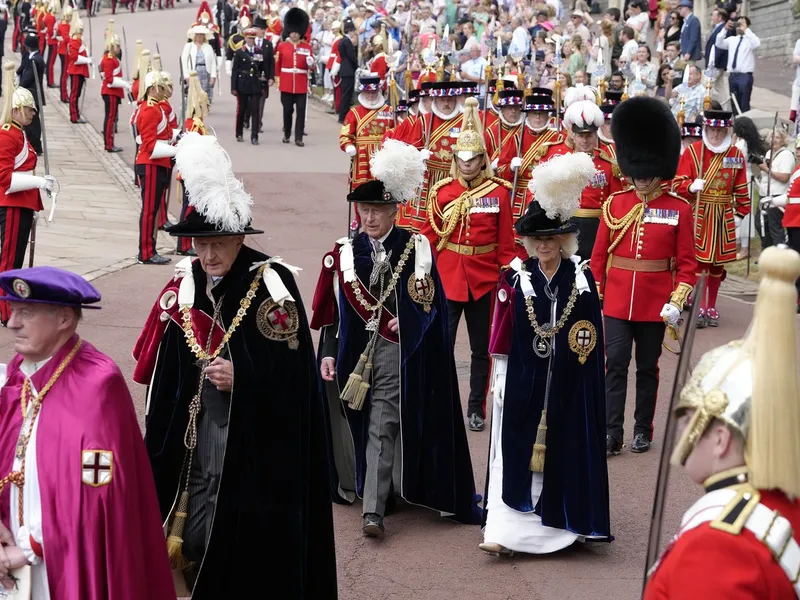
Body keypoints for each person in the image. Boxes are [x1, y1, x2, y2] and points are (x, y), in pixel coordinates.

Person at [134, 132, 337, 597]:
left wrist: (242, 377)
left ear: (240, 236)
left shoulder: (272, 284)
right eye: (199, 244)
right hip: (193, 432)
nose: (208, 254)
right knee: (191, 516)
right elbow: (166, 370)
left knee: (233, 517)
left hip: (249, 436)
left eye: (218, 242)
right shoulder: (185, 283)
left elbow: (293, 376)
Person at [311, 138, 480, 537]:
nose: (369, 218)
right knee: (360, 422)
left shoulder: (416, 247)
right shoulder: (344, 251)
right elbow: (332, 312)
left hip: (393, 352)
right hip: (352, 354)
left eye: (378, 211)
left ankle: (373, 511)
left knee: (382, 424)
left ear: (393, 211)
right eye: (364, 210)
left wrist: (410, 323)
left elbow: (432, 306)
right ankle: (384, 489)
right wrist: (330, 351)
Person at [0, 266, 177, 599]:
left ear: (64, 319)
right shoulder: (18, 375)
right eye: (13, 311)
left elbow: (96, 492)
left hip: (65, 559)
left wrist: (27, 548)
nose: (12, 324)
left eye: (26, 313)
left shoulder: (97, 383)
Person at [643, 245, 800, 598]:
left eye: (689, 418)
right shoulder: (785, 504)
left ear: (720, 438)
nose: (681, 430)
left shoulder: (717, 546)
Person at [481, 152, 612, 556]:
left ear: (563, 241)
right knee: (517, 451)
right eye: (536, 240)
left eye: (550, 239)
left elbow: (591, 335)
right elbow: (500, 339)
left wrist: (587, 383)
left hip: (569, 384)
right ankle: (510, 533)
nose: (542, 246)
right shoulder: (514, 279)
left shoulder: (582, 279)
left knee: (570, 445)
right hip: (524, 384)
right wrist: (499, 383)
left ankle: (573, 524)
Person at [591, 97, 696, 456]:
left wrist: (676, 301)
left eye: (648, 171)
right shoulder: (615, 204)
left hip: (656, 304)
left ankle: (642, 429)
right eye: (638, 171)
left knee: (647, 369)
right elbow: (599, 257)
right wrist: (600, 294)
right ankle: (611, 431)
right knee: (614, 365)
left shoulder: (679, 208)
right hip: (618, 301)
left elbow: (687, 265)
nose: (643, 177)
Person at [420, 97, 517, 432]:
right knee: (441, 345)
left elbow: (505, 242)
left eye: (472, 158)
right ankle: (441, 402)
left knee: (481, 349)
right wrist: (417, 266)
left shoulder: (499, 193)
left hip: (484, 279)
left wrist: (513, 274)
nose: (466, 163)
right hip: (448, 276)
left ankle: (477, 407)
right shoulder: (442, 191)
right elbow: (429, 235)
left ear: (481, 159)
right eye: (461, 158)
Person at [673, 110, 749, 328]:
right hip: (699, 213)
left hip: (724, 214)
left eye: (720, 130)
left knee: (717, 266)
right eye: (712, 130)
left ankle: (711, 305)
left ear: (726, 130)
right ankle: (696, 305)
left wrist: (739, 214)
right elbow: (677, 183)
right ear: (705, 129)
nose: (716, 135)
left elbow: (741, 188)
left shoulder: (735, 154)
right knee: (697, 262)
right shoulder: (693, 152)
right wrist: (689, 186)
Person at [0, 62, 56, 325]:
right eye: (29, 109)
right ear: (17, 109)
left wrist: (39, 183)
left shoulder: (19, 134)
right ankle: (4, 310)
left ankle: (11, 303)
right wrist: (37, 183)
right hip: (11, 203)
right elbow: (5, 178)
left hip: (21, 203)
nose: (33, 113)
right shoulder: (8, 135)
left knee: (16, 257)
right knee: (9, 259)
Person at [386, 79, 479, 232]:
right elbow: (409, 149)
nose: (446, 104)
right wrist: (418, 155)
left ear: (456, 99)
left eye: (450, 100)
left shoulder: (466, 122)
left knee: (453, 221)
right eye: (443, 100)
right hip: (428, 178)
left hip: (455, 177)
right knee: (421, 225)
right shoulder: (424, 121)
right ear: (435, 100)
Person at [557, 99, 624, 261]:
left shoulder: (607, 165)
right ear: (573, 135)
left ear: (596, 135)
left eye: (589, 135)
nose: (585, 140)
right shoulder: (562, 162)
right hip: (568, 224)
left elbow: (615, 201)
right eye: (581, 135)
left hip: (596, 227)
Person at [133, 68, 175, 266]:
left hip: (157, 162)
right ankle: (146, 252)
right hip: (150, 163)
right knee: (149, 210)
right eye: (161, 88)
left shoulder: (156, 107)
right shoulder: (150, 109)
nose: (163, 91)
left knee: (153, 209)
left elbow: (163, 135)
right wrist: (174, 151)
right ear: (153, 89)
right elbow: (149, 144)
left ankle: (150, 249)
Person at [339, 75, 392, 187]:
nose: (371, 95)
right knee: (361, 189)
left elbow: (397, 131)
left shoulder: (389, 111)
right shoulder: (354, 112)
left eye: (374, 92)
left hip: (383, 155)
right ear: (363, 92)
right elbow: (345, 134)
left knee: (384, 189)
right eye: (368, 92)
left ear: (378, 91)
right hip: (362, 155)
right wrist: (348, 145)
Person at [275, 7, 313, 147]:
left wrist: (311, 63)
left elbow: (312, 66)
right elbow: (277, 65)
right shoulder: (282, 46)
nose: (295, 35)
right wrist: (277, 80)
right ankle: (287, 134)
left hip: (301, 84)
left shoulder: (307, 47)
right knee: (287, 111)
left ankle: (298, 138)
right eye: (292, 32)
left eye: (297, 32)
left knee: (301, 112)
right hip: (286, 83)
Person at [756, 127, 794, 248]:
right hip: (764, 195)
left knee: (775, 227)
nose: (774, 140)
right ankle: (767, 251)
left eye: (777, 137)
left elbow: (784, 177)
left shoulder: (786, 155)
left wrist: (766, 169)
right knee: (760, 224)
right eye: (772, 137)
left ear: (783, 140)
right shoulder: (768, 153)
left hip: (777, 195)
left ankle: (779, 255)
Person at [716, 16, 759, 113]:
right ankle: (736, 123)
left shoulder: (750, 40)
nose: (739, 26)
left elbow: (756, 44)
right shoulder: (732, 39)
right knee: (734, 103)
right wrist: (724, 29)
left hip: (745, 76)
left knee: (744, 103)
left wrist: (746, 30)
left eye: (742, 24)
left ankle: (745, 123)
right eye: (738, 24)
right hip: (733, 76)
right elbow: (719, 43)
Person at [99, 28, 129, 153]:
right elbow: (110, 80)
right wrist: (126, 84)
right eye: (117, 46)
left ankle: (109, 143)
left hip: (113, 92)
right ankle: (109, 144)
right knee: (110, 119)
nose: (118, 48)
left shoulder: (112, 58)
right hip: (110, 92)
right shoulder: (109, 59)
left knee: (110, 118)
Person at [231, 27, 263, 145]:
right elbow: (235, 70)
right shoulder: (240, 52)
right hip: (242, 83)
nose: (251, 40)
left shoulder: (259, 52)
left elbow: (262, 68)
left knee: (255, 110)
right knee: (242, 109)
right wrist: (233, 87)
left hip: (255, 83)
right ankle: (239, 133)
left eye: (252, 38)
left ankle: (254, 136)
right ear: (245, 38)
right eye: (249, 38)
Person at [17, 33, 44, 156]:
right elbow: (23, 68)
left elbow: (27, 78)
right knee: (32, 122)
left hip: (31, 94)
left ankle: (36, 146)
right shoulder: (32, 57)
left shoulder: (35, 60)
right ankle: (34, 144)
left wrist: (18, 87)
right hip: (31, 94)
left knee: (31, 122)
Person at [484, 87, 523, 166]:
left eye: (516, 107)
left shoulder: (525, 131)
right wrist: (490, 165)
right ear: (502, 110)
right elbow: (481, 158)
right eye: (509, 107)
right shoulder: (489, 133)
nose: (513, 111)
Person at [181, 25, 218, 107]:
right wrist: (186, 75)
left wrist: (213, 76)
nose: (200, 37)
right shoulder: (189, 46)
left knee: (203, 94)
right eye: (198, 35)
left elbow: (213, 63)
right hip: (193, 73)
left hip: (205, 73)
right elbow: (184, 61)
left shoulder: (208, 47)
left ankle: (202, 108)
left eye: (201, 35)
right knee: (193, 93)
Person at [66, 13, 90, 124]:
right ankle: (74, 116)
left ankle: (76, 113)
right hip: (76, 71)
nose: (81, 31)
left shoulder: (79, 39)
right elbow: (74, 57)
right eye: (80, 29)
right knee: (75, 94)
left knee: (77, 94)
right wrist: (87, 60)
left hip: (80, 71)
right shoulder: (75, 40)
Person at [55, 3, 70, 103]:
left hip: (63, 50)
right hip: (64, 51)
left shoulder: (63, 23)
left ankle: (63, 94)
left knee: (64, 74)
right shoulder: (64, 25)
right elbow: (66, 39)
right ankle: (64, 95)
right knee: (65, 74)